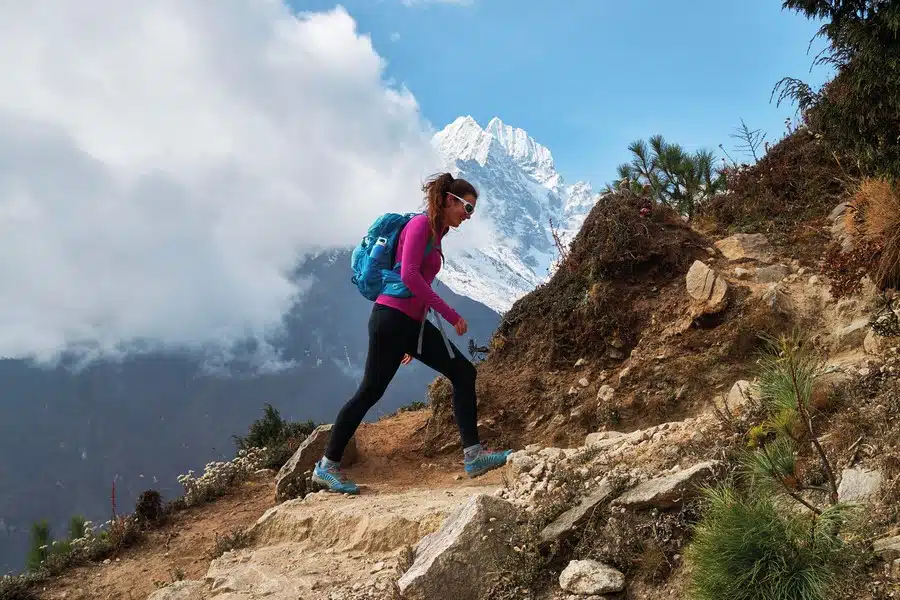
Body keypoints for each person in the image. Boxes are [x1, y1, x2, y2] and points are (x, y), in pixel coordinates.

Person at [311, 172, 512, 494]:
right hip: (391, 319)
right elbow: (409, 276)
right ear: (449, 200)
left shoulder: (437, 231)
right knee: (370, 391)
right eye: (468, 208)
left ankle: (474, 457)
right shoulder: (420, 225)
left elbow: (416, 283)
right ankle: (326, 466)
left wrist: (410, 339)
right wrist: (450, 314)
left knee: (462, 373)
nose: (469, 215)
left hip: (405, 325)